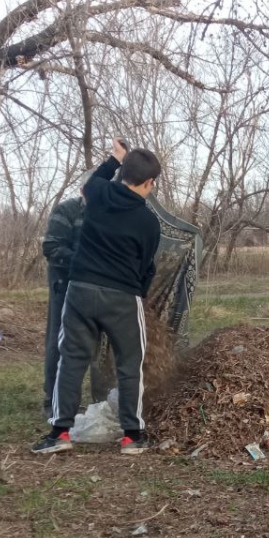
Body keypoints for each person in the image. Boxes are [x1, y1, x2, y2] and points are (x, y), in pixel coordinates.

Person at [32, 139, 162, 456]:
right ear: (150, 183)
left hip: (80, 291)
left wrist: (114, 160)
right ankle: (132, 436)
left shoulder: (98, 195)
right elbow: (145, 265)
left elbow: (93, 182)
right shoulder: (148, 221)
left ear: (121, 174)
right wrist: (138, 294)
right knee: (130, 364)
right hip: (121, 297)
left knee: (71, 360)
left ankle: (59, 432)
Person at [41, 188, 85, 415]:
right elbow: (51, 247)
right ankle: (51, 399)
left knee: (83, 342)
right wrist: (83, 259)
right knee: (59, 338)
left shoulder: (105, 211)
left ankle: (72, 397)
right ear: (83, 190)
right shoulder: (67, 210)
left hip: (92, 284)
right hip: (63, 280)